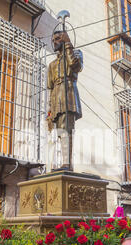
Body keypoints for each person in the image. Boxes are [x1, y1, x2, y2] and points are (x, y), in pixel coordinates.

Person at [46, 30, 83, 171]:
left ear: (64, 39)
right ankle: (64, 163)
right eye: (53, 39)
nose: (54, 42)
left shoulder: (75, 54)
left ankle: (67, 163)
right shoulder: (52, 64)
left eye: (57, 38)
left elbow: (75, 65)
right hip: (57, 96)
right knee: (61, 131)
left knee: (67, 129)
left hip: (68, 93)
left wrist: (68, 44)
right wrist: (50, 109)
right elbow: (50, 87)